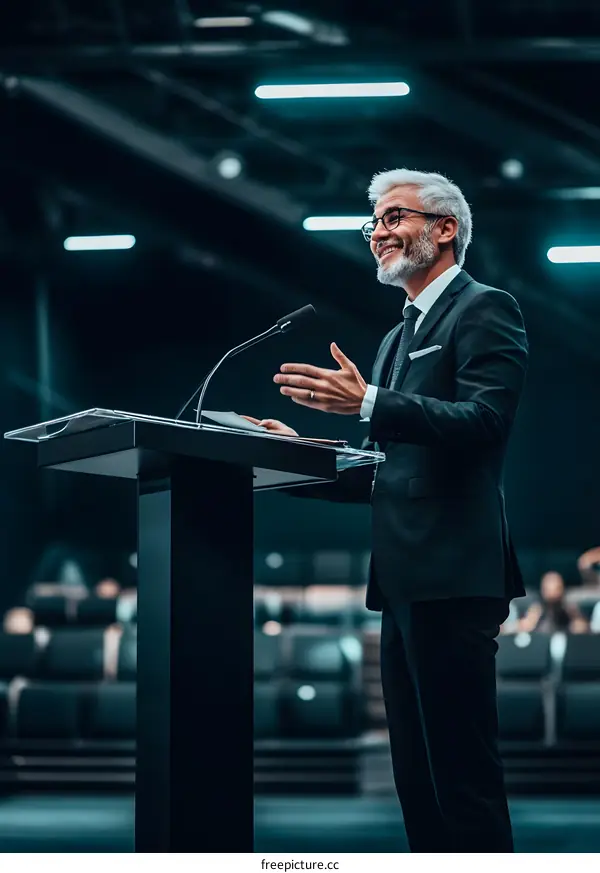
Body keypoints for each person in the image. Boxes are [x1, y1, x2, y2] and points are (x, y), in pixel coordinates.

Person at [242, 168, 528, 852]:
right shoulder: (395, 337)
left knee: (462, 778)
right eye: (373, 222)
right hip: (401, 581)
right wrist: (293, 459)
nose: (379, 233)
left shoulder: (487, 308)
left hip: (455, 575)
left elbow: (484, 421)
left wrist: (369, 402)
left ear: (445, 229)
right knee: (417, 783)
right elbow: (381, 472)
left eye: (395, 216)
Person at [519, 571, 588, 634]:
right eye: (548, 589)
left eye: (557, 588)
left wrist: (574, 618)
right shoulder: (536, 609)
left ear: (562, 589)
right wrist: (532, 619)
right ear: (543, 590)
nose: (552, 593)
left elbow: (582, 629)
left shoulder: (570, 609)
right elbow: (524, 628)